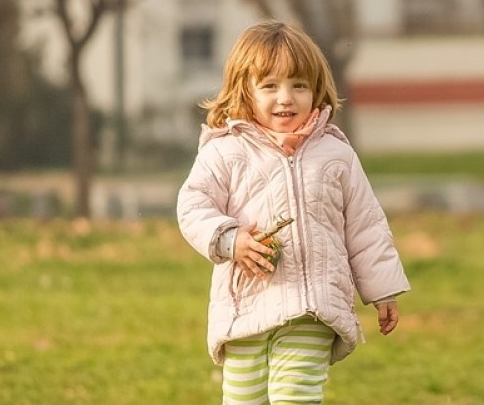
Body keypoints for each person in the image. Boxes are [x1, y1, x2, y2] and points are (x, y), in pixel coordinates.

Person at [176, 20, 410, 404]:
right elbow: (193, 205)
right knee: (243, 399)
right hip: (245, 306)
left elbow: (365, 225)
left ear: (316, 90)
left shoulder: (335, 155)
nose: (286, 98)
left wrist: (382, 288)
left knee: (295, 397)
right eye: (270, 86)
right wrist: (230, 239)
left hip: (312, 306)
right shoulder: (225, 151)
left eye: (298, 85)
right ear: (244, 91)